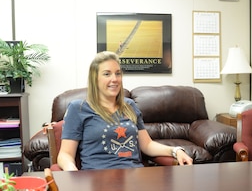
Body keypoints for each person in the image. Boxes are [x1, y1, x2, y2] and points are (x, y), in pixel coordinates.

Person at [57, 51, 193, 171]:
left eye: (118, 73)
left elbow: (147, 145)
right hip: (97, 180)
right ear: (95, 79)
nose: (114, 79)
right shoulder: (78, 108)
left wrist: (175, 150)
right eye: (107, 74)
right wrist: (71, 170)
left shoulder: (130, 106)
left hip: (134, 179)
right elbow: (65, 154)